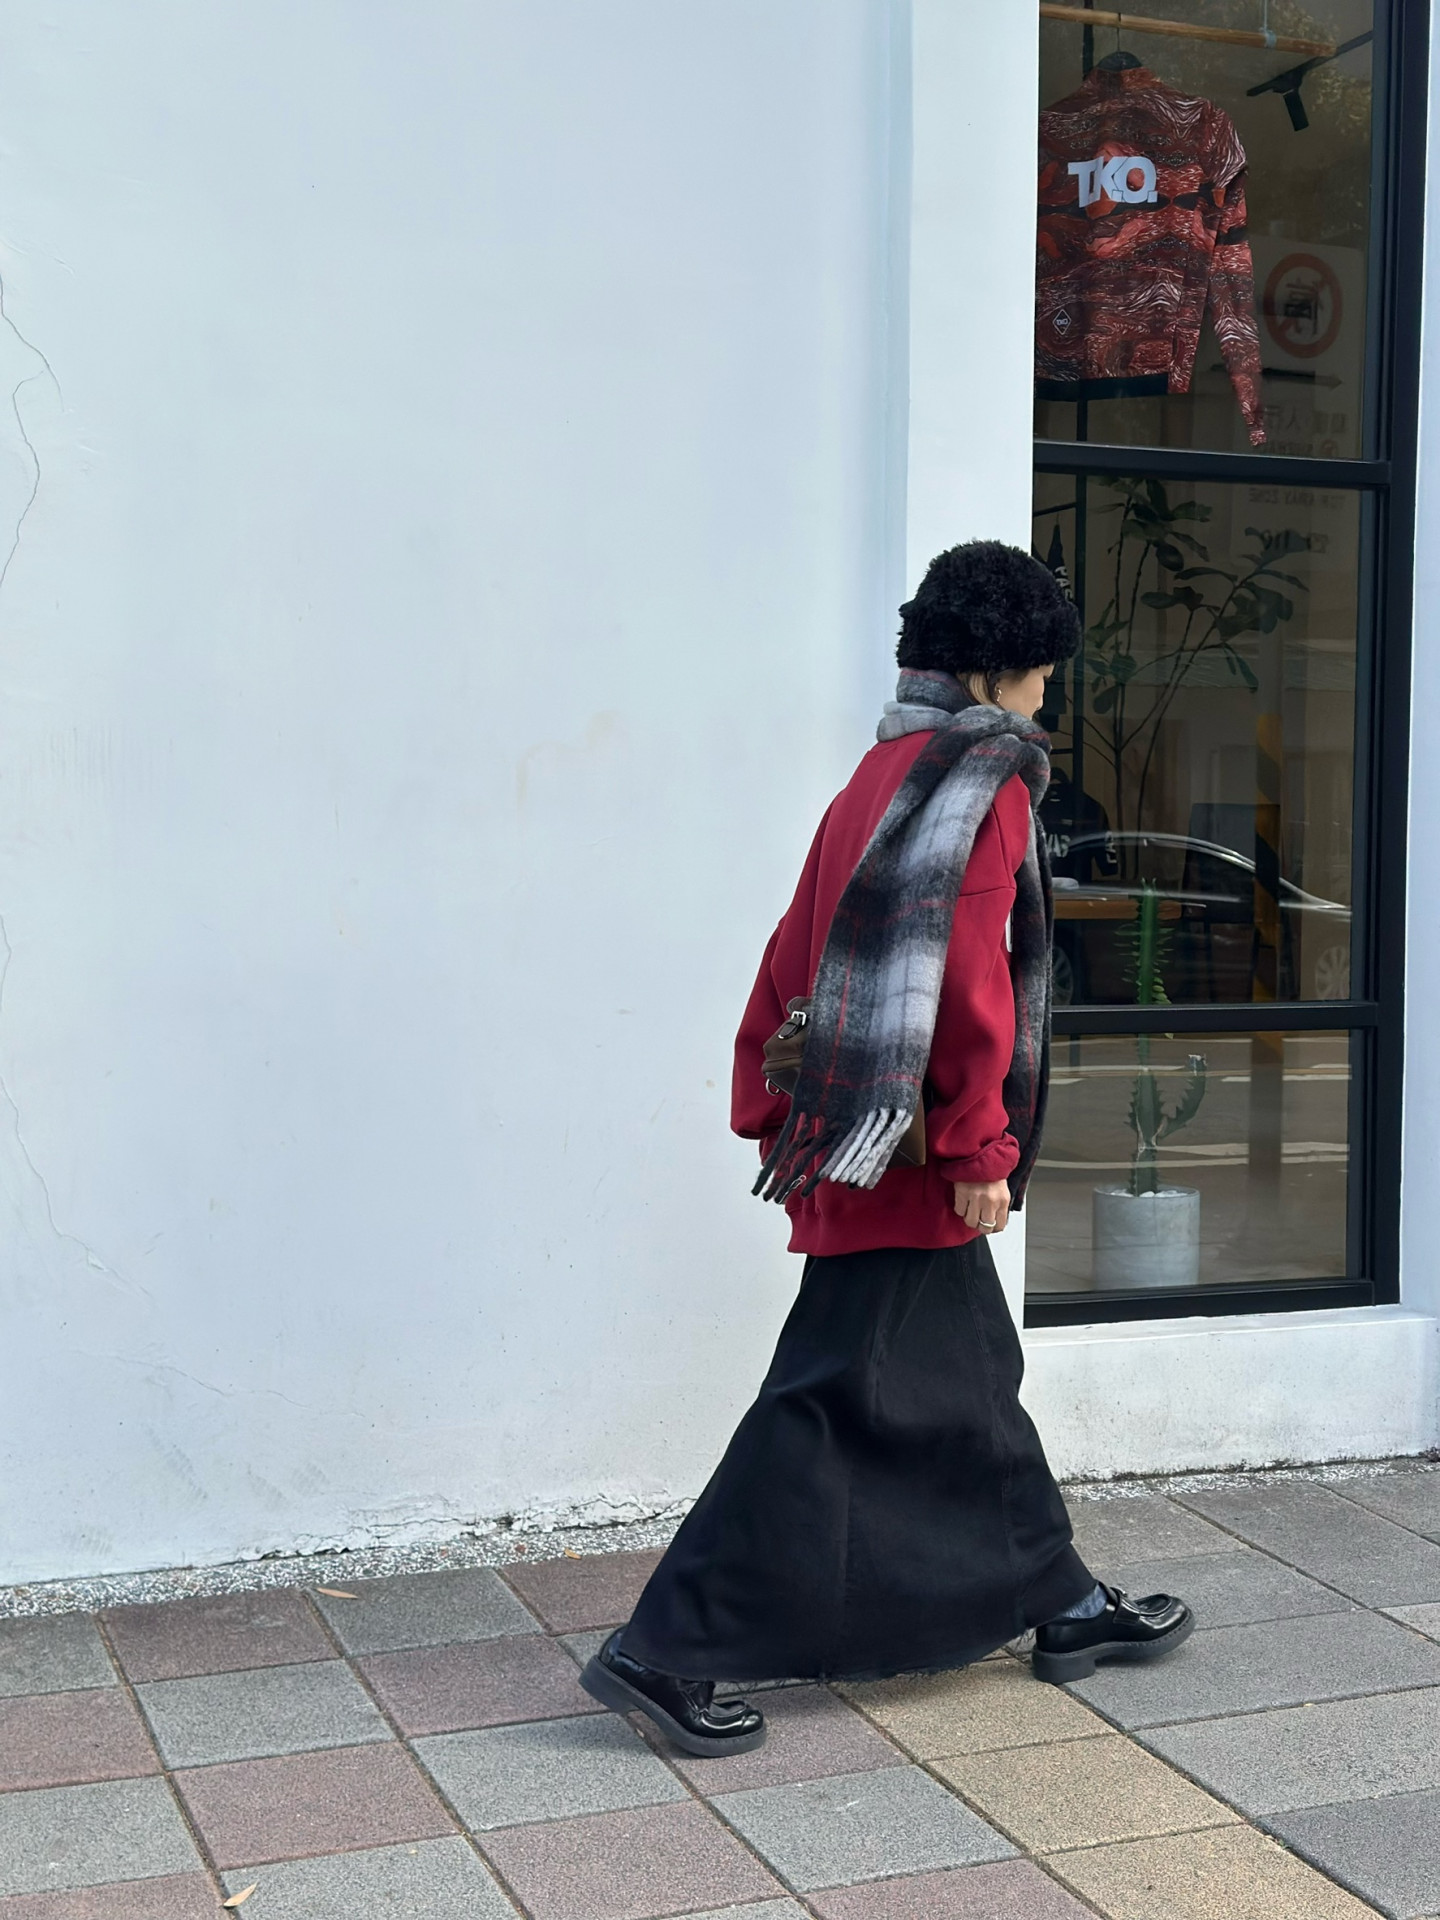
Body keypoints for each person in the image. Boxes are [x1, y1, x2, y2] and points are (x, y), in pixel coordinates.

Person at [580, 541, 1193, 1758]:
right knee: (824, 1399)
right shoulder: (981, 782)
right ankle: (666, 1645)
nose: (1046, 696)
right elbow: (968, 982)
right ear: (999, 671)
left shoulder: (880, 774)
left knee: (970, 1383)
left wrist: (790, 1108)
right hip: (907, 1149)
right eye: (1041, 673)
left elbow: (792, 948)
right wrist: (977, 1147)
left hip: (853, 1127)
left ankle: (1063, 1603)